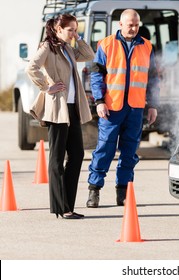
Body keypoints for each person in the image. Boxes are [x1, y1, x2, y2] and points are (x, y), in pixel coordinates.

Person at [86, 9, 160, 208]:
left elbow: (153, 79)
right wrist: (99, 101)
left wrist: (153, 104)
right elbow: (96, 76)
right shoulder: (106, 44)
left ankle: (123, 193)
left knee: (129, 152)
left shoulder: (146, 46)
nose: (134, 28)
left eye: (136, 25)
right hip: (111, 107)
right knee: (105, 149)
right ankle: (94, 190)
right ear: (120, 24)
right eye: (130, 25)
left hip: (135, 108)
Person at [26, 14, 95, 219]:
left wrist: (79, 37)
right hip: (57, 109)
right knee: (56, 159)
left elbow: (89, 55)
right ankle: (61, 207)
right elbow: (32, 67)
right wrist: (47, 87)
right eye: (70, 30)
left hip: (73, 108)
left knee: (77, 155)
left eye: (75, 29)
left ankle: (68, 205)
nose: (73, 33)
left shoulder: (68, 49)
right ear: (58, 29)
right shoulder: (48, 47)